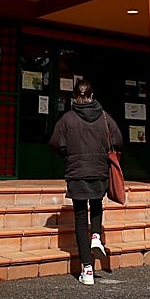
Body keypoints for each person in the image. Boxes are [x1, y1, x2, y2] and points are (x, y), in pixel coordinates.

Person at [48, 79, 122, 285]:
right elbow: (118, 140)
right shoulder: (104, 117)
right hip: (99, 170)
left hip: (77, 172)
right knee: (96, 206)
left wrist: (66, 154)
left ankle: (87, 270)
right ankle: (96, 236)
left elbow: (55, 143)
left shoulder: (67, 118)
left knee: (81, 220)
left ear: (74, 96)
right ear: (92, 95)